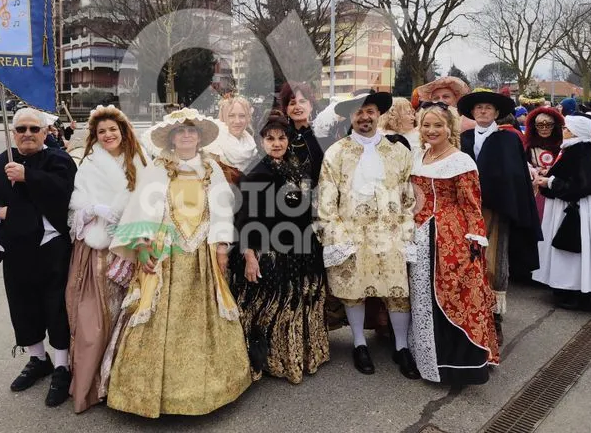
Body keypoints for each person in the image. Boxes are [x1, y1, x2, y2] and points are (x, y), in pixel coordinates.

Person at [103, 108, 251, 417]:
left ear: (199, 137)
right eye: (180, 131)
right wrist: (142, 246)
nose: (186, 135)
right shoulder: (158, 169)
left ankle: (210, 388)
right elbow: (142, 208)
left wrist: (222, 247)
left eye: (192, 131)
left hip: (202, 257)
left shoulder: (212, 168)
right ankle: (151, 392)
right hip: (165, 254)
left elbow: (222, 210)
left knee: (207, 314)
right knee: (155, 312)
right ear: (172, 138)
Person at [0, 108, 77, 407]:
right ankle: (37, 358)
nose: (27, 134)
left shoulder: (58, 159)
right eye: (21, 129)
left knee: (56, 306)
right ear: (14, 132)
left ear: (45, 132)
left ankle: (61, 366)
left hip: (51, 245)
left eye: (34, 129)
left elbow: (64, 192)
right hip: (18, 248)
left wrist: (28, 175)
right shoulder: (4, 160)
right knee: (22, 303)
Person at [317, 91, 419, 379]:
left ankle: (401, 347)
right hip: (352, 234)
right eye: (359, 112)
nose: (364, 117)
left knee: (399, 291)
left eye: (370, 111)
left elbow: (409, 196)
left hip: (391, 233)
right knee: (354, 292)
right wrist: (337, 235)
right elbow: (326, 199)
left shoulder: (398, 152)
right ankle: (359, 343)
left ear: (379, 114)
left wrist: (407, 232)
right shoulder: (336, 152)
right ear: (351, 117)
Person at [230, 110, 328, 384]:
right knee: (274, 307)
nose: (276, 143)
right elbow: (244, 218)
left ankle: (300, 356)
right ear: (262, 141)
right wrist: (249, 255)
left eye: (281, 138)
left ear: (288, 140)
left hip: (301, 244)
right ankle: (271, 360)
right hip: (270, 247)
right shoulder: (256, 173)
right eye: (270, 138)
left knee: (301, 302)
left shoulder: (296, 166)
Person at [409, 103, 499, 385]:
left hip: (451, 238)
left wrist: (474, 239)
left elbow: (473, 206)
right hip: (419, 234)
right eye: (426, 125)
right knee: (422, 297)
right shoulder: (419, 156)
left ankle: (456, 366)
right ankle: (427, 361)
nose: (432, 131)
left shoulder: (461, 161)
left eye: (438, 125)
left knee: (453, 296)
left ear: (450, 128)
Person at [65, 105, 148, 413]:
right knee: (95, 320)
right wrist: (96, 209)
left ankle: (121, 385)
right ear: (95, 137)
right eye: (102, 132)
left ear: (123, 130)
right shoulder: (88, 163)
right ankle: (91, 386)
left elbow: (150, 198)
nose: (108, 135)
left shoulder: (139, 159)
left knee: (128, 317)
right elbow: (76, 203)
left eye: (113, 129)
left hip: (133, 244)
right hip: (97, 249)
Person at [458, 91, 541, 344]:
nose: (483, 112)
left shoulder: (507, 139)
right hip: (466, 212)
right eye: (479, 108)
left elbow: (515, 177)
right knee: (467, 261)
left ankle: (494, 317)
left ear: (496, 113)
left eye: (488, 108)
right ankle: (468, 311)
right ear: (472, 113)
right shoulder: (463, 138)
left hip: (497, 212)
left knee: (494, 263)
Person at [532, 115, 591, 311]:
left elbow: (584, 185)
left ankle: (575, 293)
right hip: (569, 207)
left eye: (566, 128)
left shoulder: (581, 151)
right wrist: (551, 175)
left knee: (572, 253)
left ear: (574, 131)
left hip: (576, 209)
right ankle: (566, 290)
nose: (563, 131)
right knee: (569, 250)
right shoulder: (577, 148)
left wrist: (551, 182)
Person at [280, 82, 327, 185]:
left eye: (302, 101)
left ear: (311, 106)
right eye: (292, 103)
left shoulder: (323, 137)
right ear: (286, 109)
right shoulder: (280, 137)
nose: (297, 107)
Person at [206, 95, 258, 184]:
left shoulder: (251, 147)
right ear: (223, 118)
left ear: (248, 118)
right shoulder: (212, 146)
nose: (237, 121)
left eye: (242, 116)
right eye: (231, 116)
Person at [524, 107, 565, 221]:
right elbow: (524, 164)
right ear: (534, 127)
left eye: (548, 126)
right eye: (540, 126)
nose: (544, 129)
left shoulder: (562, 146)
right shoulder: (529, 146)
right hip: (536, 187)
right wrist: (534, 171)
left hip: (555, 187)